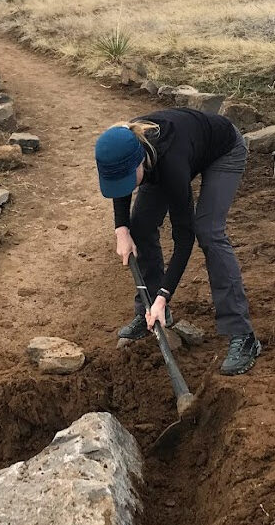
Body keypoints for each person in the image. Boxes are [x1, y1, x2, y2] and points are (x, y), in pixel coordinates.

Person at [94, 107, 260, 375]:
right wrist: (121, 229)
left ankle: (243, 334)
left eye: (128, 178)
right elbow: (121, 187)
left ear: (140, 162)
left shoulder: (171, 164)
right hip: (180, 152)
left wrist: (164, 294)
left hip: (222, 149)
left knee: (208, 231)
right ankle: (149, 311)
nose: (125, 187)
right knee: (141, 225)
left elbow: (184, 238)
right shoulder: (124, 143)